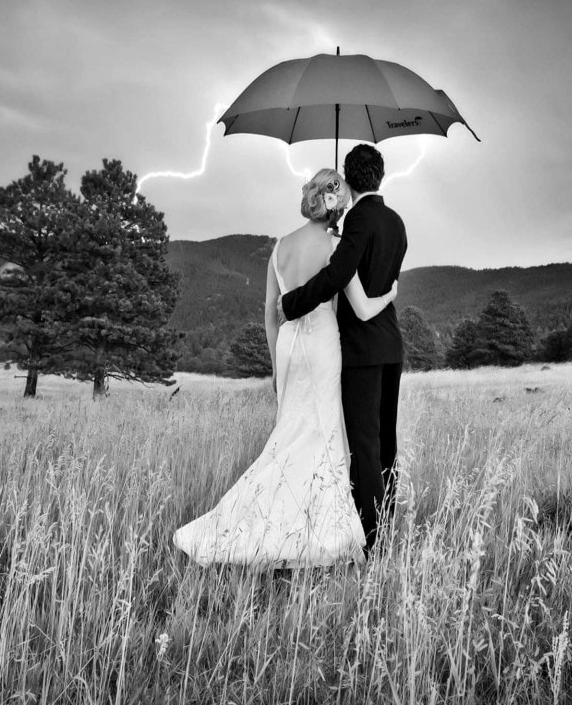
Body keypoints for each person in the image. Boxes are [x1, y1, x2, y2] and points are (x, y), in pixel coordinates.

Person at [174, 168, 397, 567]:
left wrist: (276, 365)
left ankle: (263, 519)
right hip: (323, 346)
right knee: (323, 431)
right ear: (336, 207)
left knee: (288, 433)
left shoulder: (280, 247)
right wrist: (390, 293)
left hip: (289, 348)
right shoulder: (335, 248)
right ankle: (319, 532)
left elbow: (269, 313)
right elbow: (359, 304)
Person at [278, 145, 406, 554]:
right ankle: (385, 526)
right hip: (391, 346)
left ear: (349, 180)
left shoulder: (359, 220)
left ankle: (370, 541)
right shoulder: (396, 222)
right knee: (387, 444)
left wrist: (292, 303)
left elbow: (337, 274)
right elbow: (382, 280)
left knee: (364, 446)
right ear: (380, 177)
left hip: (362, 354)